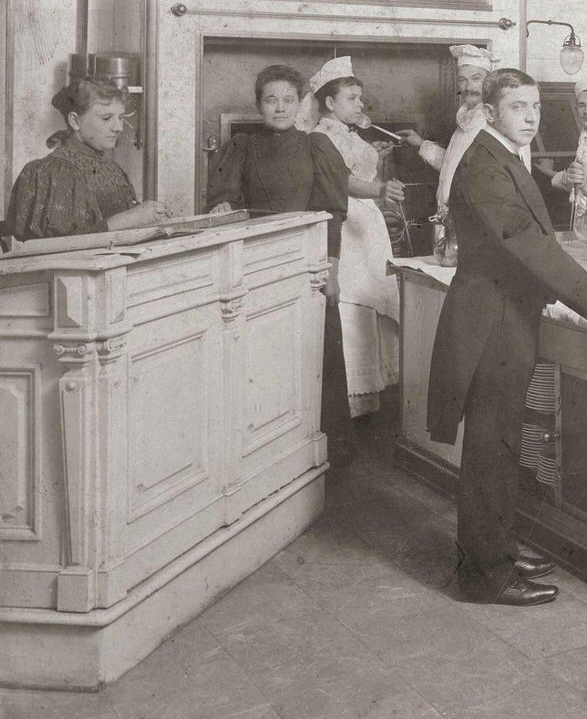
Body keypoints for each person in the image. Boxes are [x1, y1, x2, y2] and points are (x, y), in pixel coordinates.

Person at [425, 68, 587, 607]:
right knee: (491, 447)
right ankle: (485, 575)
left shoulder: (500, 155)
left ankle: (496, 549)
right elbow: (526, 243)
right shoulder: (484, 163)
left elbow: (533, 240)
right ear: (490, 112)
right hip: (491, 323)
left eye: (535, 107)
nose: (531, 116)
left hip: (506, 318)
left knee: (502, 445)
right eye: (517, 107)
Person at [206, 64, 353, 461]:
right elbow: (225, 201)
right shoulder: (241, 147)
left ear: (301, 103)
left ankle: (323, 455)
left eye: (289, 99)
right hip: (255, 265)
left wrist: (332, 272)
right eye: (271, 100)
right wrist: (222, 205)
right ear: (258, 105)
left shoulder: (316, 147)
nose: (280, 107)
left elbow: (333, 215)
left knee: (312, 358)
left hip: (308, 265)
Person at [304, 57, 405, 419]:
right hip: (345, 225)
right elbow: (341, 182)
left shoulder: (344, 133)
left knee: (370, 300)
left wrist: (373, 157)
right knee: (353, 302)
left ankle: (372, 396)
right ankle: (352, 402)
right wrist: (378, 188)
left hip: (366, 225)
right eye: (351, 98)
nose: (360, 104)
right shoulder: (319, 137)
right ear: (329, 103)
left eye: (359, 97)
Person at [8, 77, 169, 240]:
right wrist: (130, 219)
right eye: (107, 118)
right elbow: (60, 246)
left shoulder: (111, 167)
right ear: (75, 121)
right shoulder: (51, 172)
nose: (118, 128)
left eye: (121, 117)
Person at [401, 43, 493, 208]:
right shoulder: (465, 118)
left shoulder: (493, 121)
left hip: (473, 213)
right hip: (452, 212)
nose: (468, 87)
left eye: (476, 78)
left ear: (489, 82)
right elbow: (452, 164)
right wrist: (421, 143)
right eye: (462, 80)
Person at [550, 80, 587, 242]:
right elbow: (576, 177)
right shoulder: (585, 135)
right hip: (582, 219)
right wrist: (552, 175)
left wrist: (585, 186)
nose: (586, 111)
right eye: (582, 105)